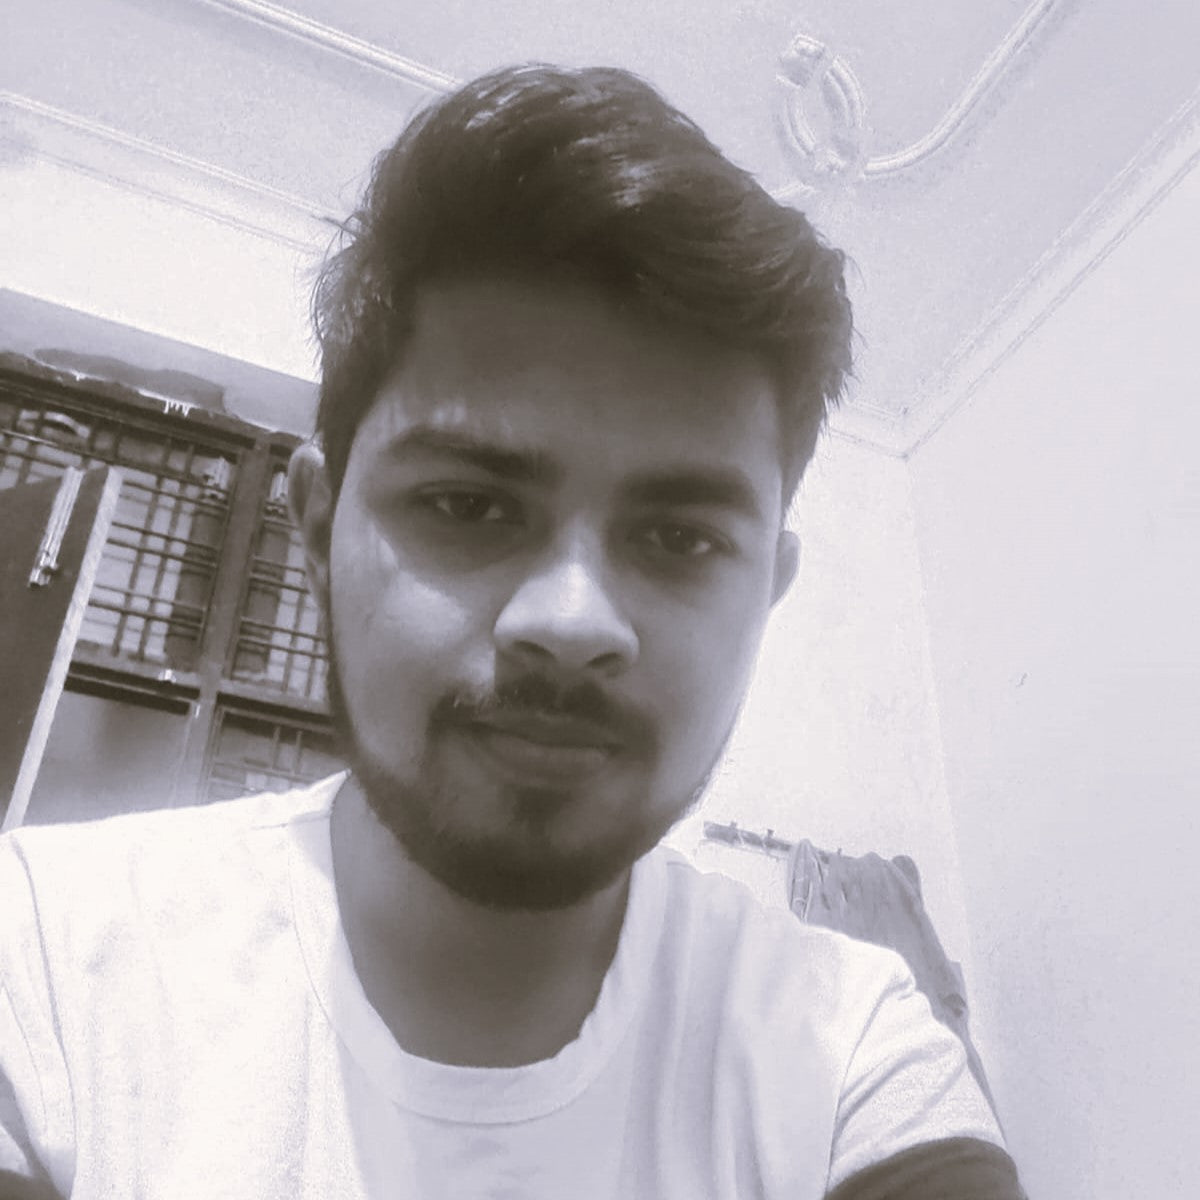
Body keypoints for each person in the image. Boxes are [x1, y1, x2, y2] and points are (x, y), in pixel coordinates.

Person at [0, 64, 1024, 1198]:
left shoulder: (852, 1058)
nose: (570, 622)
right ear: (320, 528)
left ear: (765, 592)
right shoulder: (42, 970)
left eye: (679, 538)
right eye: (468, 506)